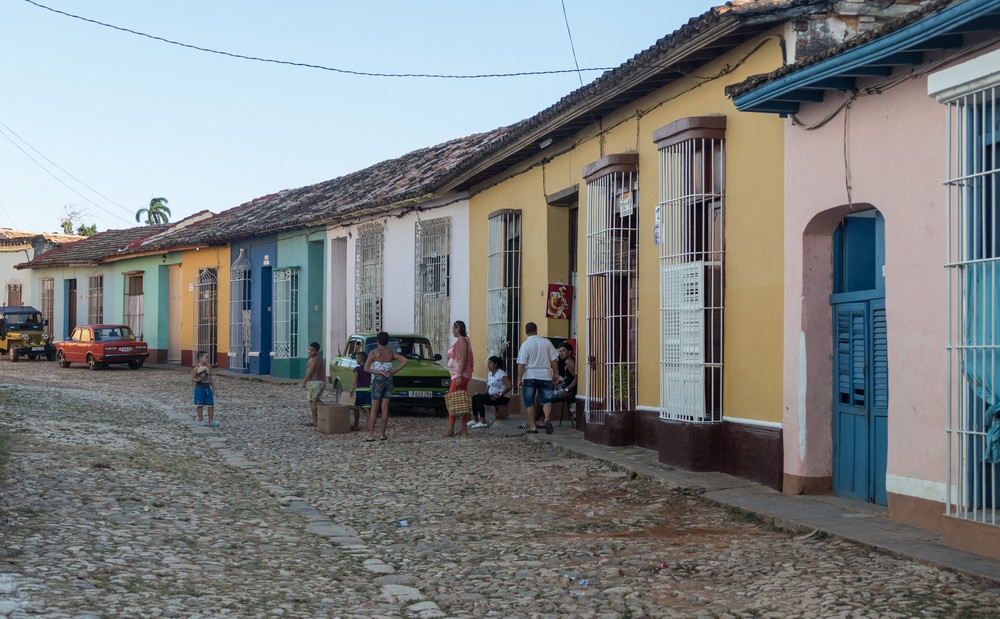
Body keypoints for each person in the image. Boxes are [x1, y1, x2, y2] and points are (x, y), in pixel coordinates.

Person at [516, 322, 562, 434]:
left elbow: (521, 365)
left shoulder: (525, 345)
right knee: (547, 400)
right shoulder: (546, 342)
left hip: (530, 376)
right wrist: (555, 373)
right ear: (536, 330)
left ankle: (532, 426)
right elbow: (554, 360)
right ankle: (546, 418)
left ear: (526, 332)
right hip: (545, 375)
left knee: (529, 402)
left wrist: (519, 379)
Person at [364, 331, 408, 441]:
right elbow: (404, 360)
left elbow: (366, 368)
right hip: (389, 379)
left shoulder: (373, 353)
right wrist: (395, 371)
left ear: (377, 340)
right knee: (385, 408)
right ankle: (382, 434)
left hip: (378, 380)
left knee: (374, 408)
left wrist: (379, 372)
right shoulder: (391, 352)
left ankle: (371, 434)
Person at [445, 320, 474, 437]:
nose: (452, 330)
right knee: (462, 401)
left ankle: (451, 428)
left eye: (454, 328)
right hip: (458, 374)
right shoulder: (461, 341)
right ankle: (463, 429)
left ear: (458, 329)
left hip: (460, 375)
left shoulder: (462, 341)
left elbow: (463, 359)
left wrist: (460, 375)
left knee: (452, 400)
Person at [470, 356, 512, 427]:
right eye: (488, 363)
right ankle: (475, 419)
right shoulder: (490, 373)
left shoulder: (501, 373)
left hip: (502, 398)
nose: (488, 365)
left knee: (478, 398)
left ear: (495, 364)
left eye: (490, 363)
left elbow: (510, 385)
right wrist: (484, 393)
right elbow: (490, 385)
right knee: (475, 397)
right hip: (492, 396)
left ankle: (483, 422)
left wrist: (500, 394)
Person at [302, 342, 326, 427]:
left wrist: (304, 382)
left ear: (317, 351)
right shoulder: (320, 359)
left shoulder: (313, 360)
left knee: (313, 402)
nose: (310, 351)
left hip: (313, 383)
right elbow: (323, 370)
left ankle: (315, 421)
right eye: (309, 349)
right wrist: (324, 381)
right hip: (319, 382)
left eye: (312, 350)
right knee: (316, 400)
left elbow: (310, 372)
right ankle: (324, 414)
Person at [192, 350, 218, 427]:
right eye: (206, 357)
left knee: (211, 405)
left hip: (207, 388)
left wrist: (213, 386)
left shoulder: (208, 367)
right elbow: (193, 378)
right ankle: (201, 420)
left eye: (207, 357)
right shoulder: (196, 368)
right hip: (199, 388)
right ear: (200, 358)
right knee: (200, 405)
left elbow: (210, 378)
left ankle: (211, 421)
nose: (207, 359)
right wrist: (199, 379)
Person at [554, 341, 578, 422]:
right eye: (560, 351)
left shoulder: (569, 361)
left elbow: (577, 378)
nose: (561, 353)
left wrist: (566, 389)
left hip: (570, 392)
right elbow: (569, 378)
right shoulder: (566, 362)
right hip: (565, 388)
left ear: (569, 352)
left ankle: (538, 421)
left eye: (563, 351)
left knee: (543, 397)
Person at [349, 351, 371, 431]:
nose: (356, 360)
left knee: (356, 408)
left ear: (360, 359)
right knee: (367, 409)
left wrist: (351, 389)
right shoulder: (368, 368)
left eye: (357, 358)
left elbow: (355, 380)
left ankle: (356, 425)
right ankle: (370, 426)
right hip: (368, 390)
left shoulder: (357, 369)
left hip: (359, 391)